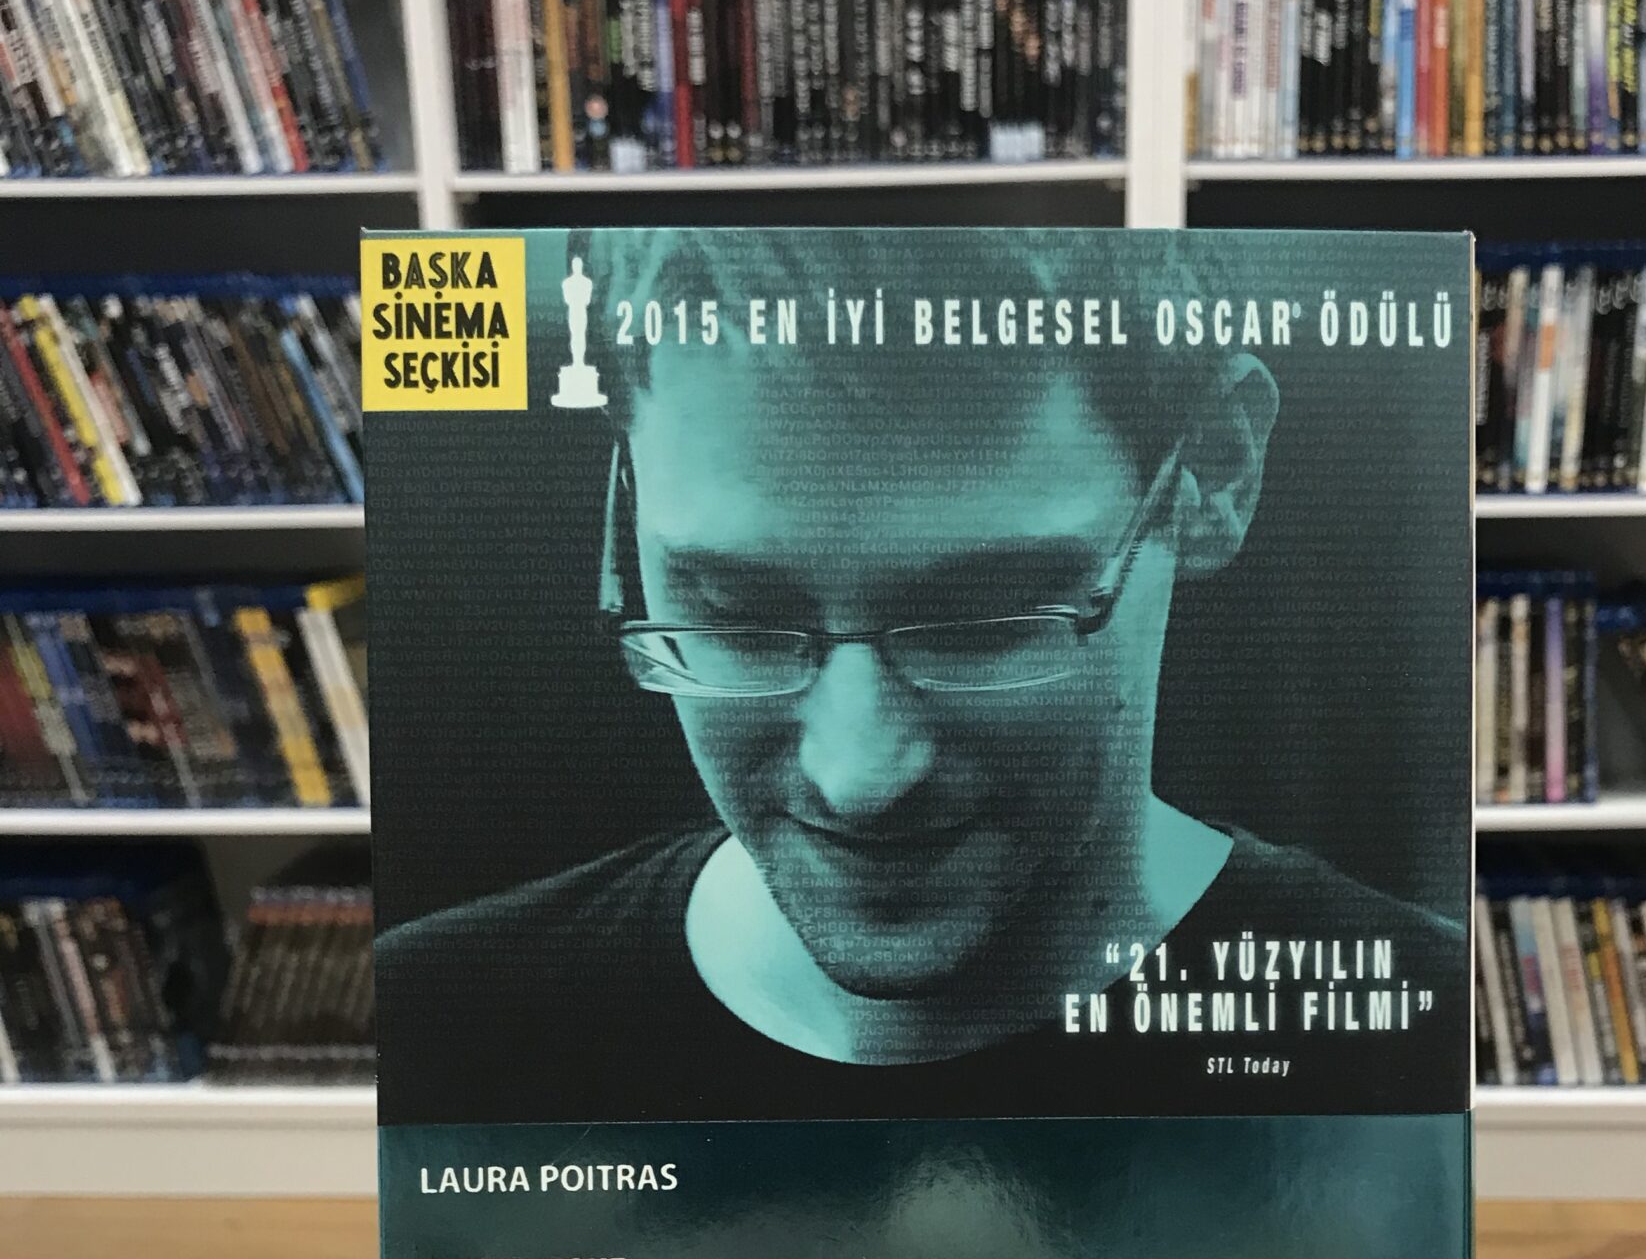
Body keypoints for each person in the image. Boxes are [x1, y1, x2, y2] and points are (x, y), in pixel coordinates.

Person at [377, 231, 1464, 1122]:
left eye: (982, 620)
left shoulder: (1412, 1038)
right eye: (738, 615)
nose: (858, 777)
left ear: (1214, 470)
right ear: (625, 500)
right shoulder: (446, 1021)